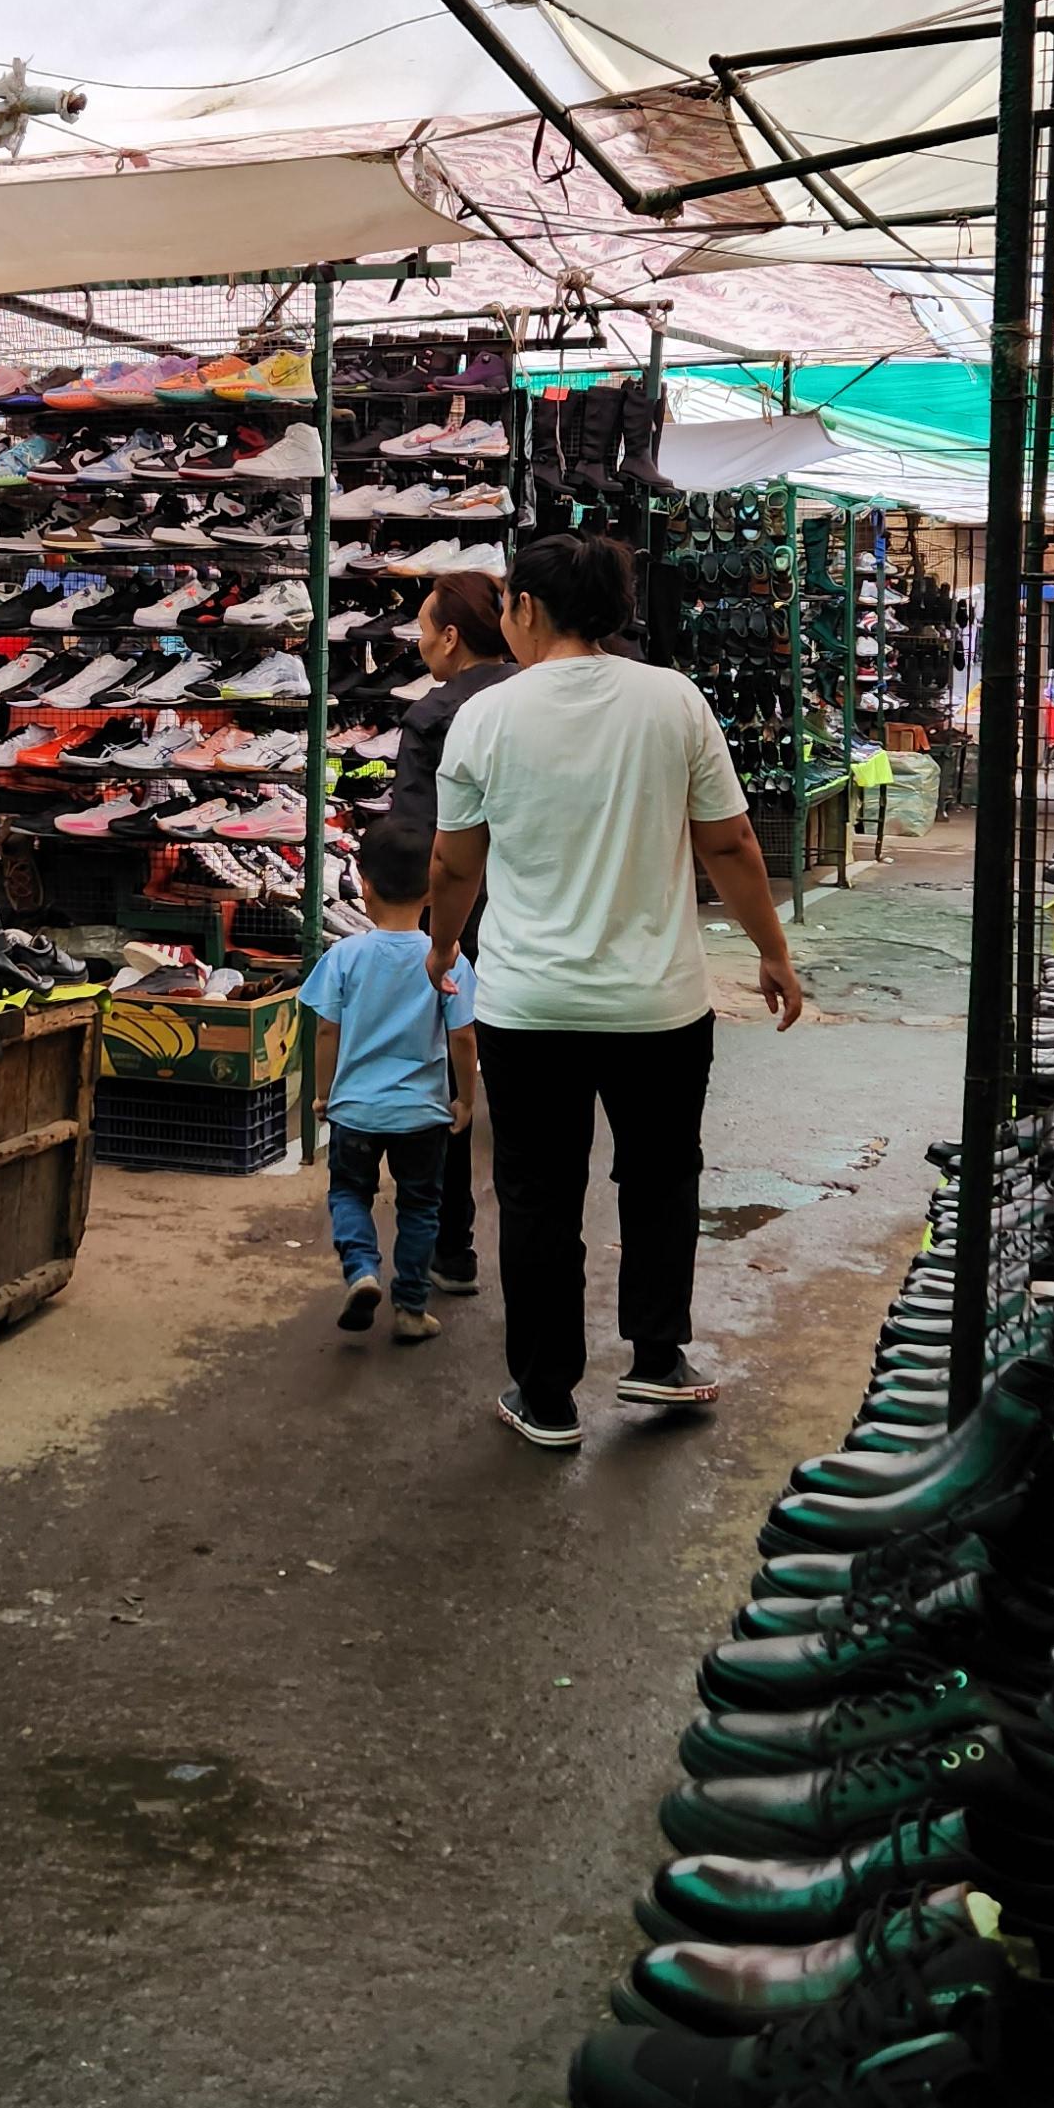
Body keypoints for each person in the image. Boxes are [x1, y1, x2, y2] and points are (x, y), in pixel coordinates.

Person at [427, 530, 804, 1456]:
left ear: (525, 608)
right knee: (662, 1177)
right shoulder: (673, 701)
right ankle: (658, 1355)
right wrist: (773, 951)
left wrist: (441, 946)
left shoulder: (486, 717)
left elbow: (454, 862)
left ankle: (546, 1396)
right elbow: (730, 843)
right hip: (657, 1005)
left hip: (529, 1006)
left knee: (538, 1197)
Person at [384, 572, 514, 1296]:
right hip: (536, 914)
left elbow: (420, 837)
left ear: (452, 637)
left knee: (449, 1077)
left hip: (459, 918)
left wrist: (430, 936)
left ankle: (453, 1247)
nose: (420, 643)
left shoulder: (434, 715)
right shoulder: (536, 696)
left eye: (424, 630)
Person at [300, 816, 476, 1345]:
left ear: (364, 885)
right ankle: (411, 1308)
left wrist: (324, 1093)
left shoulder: (344, 956)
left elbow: (326, 1030)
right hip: (422, 1113)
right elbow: (463, 1038)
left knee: (349, 1192)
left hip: (355, 1110)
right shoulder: (447, 959)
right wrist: (465, 1100)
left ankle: (361, 1269)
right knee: (420, 1207)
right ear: (431, 891)